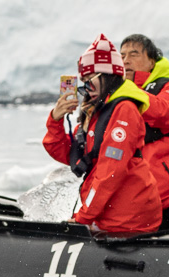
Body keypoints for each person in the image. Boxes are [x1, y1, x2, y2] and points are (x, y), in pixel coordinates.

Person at [43, 35, 161, 235]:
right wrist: (55, 119)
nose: (86, 89)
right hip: (107, 214)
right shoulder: (96, 113)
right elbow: (67, 154)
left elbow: (111, 171)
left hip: (128, 218)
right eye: (83, 83)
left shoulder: (124, 110)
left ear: (108, 76)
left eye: (90, 81)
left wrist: (83, 217)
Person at [119, 34, 169, 234]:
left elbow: (163, 110)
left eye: (133, 54)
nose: (126, 60)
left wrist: (126, 90)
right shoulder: (118, 97)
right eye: (122, 56)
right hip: (142, 202)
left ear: (152, 62)